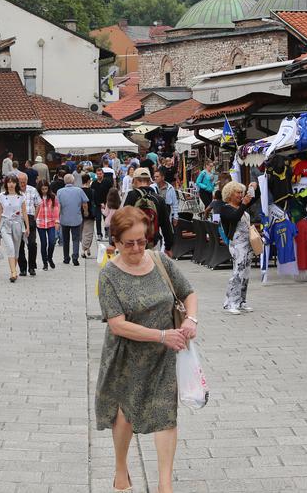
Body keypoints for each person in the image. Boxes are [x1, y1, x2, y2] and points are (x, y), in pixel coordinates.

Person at [96, 206, 198, 493]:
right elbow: (117, 325)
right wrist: (161, 335)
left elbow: (188, 292)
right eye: (129, 243)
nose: (137, 248)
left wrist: (191, 318)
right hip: (126, 357)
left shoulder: (159, 261)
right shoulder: (108, 276)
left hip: (164, 355)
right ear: (115, 241)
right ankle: (120, 468)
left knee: (166, 414)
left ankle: (165, 485)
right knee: (125, 414)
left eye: (142, 241)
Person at [220, 180, 257, 315]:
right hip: (237, 244)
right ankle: (230, 302)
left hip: (247, 244)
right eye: (238, 192)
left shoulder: (241, 206)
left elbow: (254, 197)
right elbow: (234, 218)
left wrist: (253, 186)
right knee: (237, 272)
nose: (240, 195)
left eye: (242, 193)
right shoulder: (225, 208)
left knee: (246, 273)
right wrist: (244, 205)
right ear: (230, 194)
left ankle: (241, 301)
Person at [123, 168, 175, 257]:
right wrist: (168, 247)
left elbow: (122, 221)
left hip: (134, 243)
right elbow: (166, 226)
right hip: (153, 243)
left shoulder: (131, 196)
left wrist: (114, 243)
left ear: (135, 180)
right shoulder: (159, 199)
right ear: (149, 181)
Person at [0, 175, 26, 283]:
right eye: (9, 182)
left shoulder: (21, 196)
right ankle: (13, 272)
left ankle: (14, 271)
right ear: (6, 184)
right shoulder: (2, 196)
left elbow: (24, 212)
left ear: (16, 184)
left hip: (18, 224)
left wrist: (27, 226)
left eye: (13, 182)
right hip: (5, 224)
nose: (11, 184)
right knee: (10, 247)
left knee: (16, 250)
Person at [57, 173, 90, 266]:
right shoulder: (79, 190)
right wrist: (86, 212)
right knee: (76, 238)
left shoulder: (60, 192)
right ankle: (75, 257)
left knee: (65, 239)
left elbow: (58, 206)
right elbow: (84, 203)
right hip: (76, 218)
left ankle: (66, 258)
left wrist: (57, 217)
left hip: (64, 218)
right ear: (73, 181)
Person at [35, 179, 59, 272]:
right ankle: (45, 262)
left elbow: (56, 209)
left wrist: (57, 221)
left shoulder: (52, 197)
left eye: (46, 189)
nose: (44, 190)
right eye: (42, 189)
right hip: (40, 222)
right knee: (43, 243)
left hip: (51, 222)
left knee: (52, 242)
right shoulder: (37, 197)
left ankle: (50, 258)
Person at [80, 171, 97, 259]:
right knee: (89, 232)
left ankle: (87, 247)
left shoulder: (79, 190)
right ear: (88, 181)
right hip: (90, 213)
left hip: (79, 213)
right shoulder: (92, 191)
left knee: (82, 231)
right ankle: (84, 249)